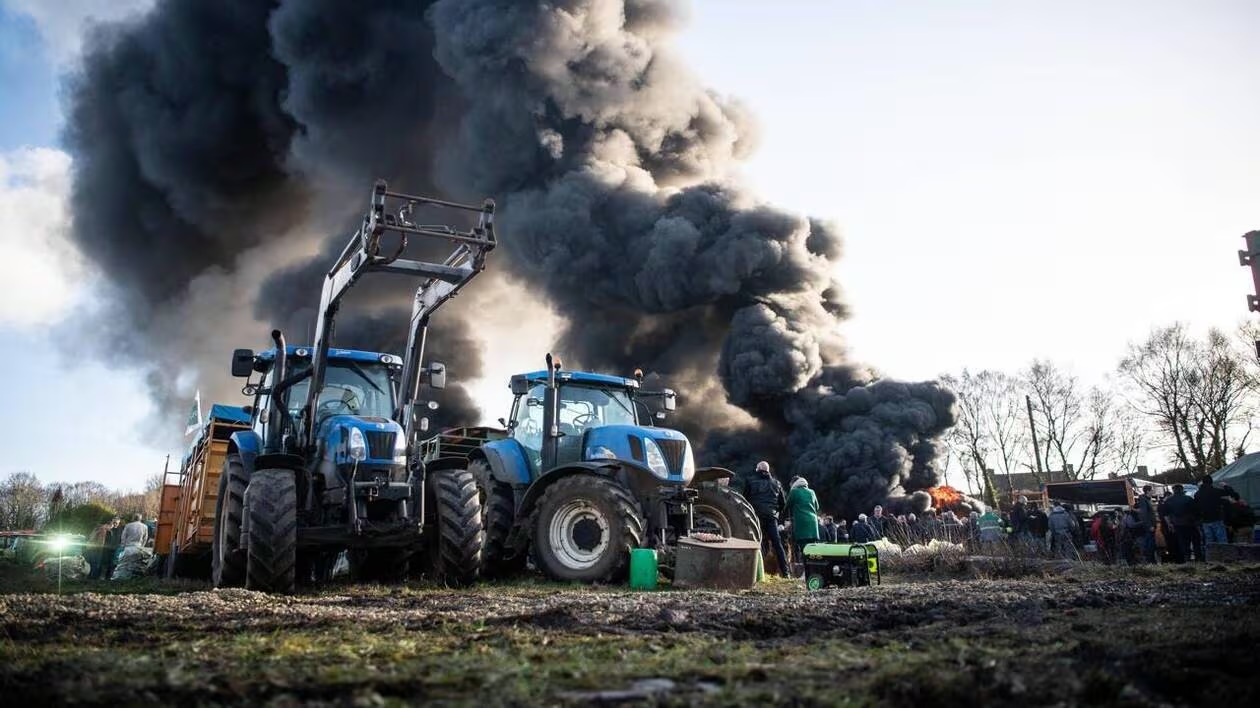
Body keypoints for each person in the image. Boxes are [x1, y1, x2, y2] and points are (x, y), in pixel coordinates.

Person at [741, 460, 791, 578]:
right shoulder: (777, 484)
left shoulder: (750, 481)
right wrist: (776, 515)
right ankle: (786, 573)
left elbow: (744, 501)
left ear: (757, 470)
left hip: (755, 517)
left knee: (757, 543)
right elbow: (783, 504)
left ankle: (757, 574)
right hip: (771, 518)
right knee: (777, 544)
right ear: (768, 471)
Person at [1195, 476, 1239, 555]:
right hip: (1217, 518)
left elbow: (1196, 507)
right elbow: (1232, 493)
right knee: (1222, 540)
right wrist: (1225, 485)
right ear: (1211, 482)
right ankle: (1225, 556)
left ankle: (1211, 557)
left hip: (1205, 520)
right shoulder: (1215, 491)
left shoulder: (1197, 494)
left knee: (1209, 541)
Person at [784, 477, 820, 567]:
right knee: (813, 549)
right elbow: (817, 507)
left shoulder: (794, 492)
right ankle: (814, 569)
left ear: (794, 484)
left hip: (802, 523)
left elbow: (786, 506)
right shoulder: (812, 492)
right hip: (813, 523)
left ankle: (806, 572)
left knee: (803, 548)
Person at [1162, 484, 1202, 562]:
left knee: (1183, 542)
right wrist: (1197, 522)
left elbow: (1165, 514)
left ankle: (1187, 558)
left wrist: (1170, 524)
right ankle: (1198, 558)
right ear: (1182, 490)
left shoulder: (1169, 500)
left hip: (1178, 524)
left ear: (1173, 490)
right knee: (1195, 541)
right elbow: (1196, 512)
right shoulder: (1188, 498)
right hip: (1190, 523)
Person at [1135, 485, 1158, 563]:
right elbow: (1144, 514)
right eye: (1152, 490)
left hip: (1152, 524)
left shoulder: (1147, 499)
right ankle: (1150, 560)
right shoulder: (1143, 500)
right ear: (1148, 491)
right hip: (1149, 526)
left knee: (1152, 543)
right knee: (1150, 544)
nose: (1153, 491)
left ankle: (1152, 560)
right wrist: (1149, 525)